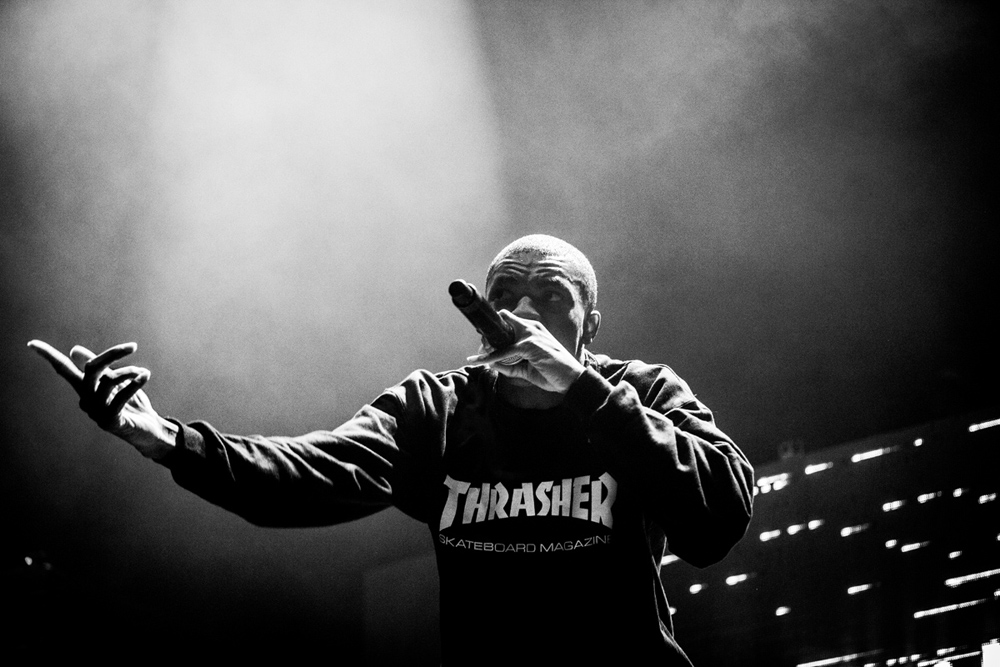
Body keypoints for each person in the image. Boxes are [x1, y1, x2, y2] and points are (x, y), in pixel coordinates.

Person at [29, 234, 753, 665]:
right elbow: (311, 472)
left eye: (550, 293)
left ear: (591, 321)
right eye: (505, 292)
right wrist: (166, 441)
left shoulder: (642, 393)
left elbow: (720, 515)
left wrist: (585, 391)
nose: (523, 308)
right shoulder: (438, 408)